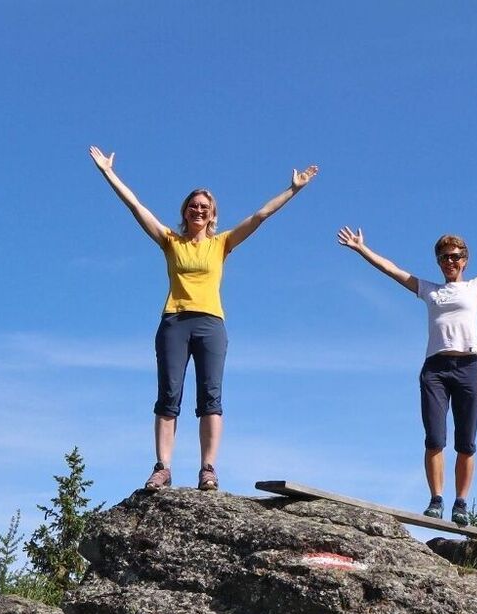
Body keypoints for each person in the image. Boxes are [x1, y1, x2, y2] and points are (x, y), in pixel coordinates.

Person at [90, 146, 317, 491]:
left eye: (204, 207)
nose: (198, 210)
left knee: (211, 398)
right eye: (193, 205)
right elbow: (136, 206)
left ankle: (208, 469)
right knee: (168, 396)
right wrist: (109, 173)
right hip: (174, 322)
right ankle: (163, 468)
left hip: (211, 323)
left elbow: (260, 216)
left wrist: (293, 189)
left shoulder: (222, 243)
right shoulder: (171, 241)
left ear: (212, 215)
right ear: (185, 211)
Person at [336, 202, 477, 526]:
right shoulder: (430, 290)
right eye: (444, 258)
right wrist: (361, 249)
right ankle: (436, 499)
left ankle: (461, 502)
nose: (450, 262)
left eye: (455, 256)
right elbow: (392, 270)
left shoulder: (476, 286)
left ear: (464, 260)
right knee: (434, 438)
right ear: (439, 263)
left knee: (466, 443)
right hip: (436, 370)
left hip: (468, 367)